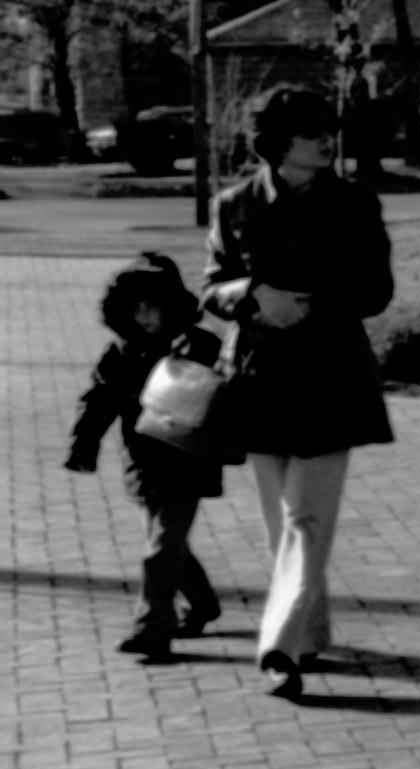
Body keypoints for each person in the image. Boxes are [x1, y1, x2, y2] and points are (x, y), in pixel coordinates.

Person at [205, 83, 395, 697]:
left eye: (328, 128)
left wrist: (305, 306)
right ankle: (310, 635)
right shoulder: (234, 205)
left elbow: (376, 290)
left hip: (330, 376)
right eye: (313, 130)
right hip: (258, 378)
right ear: (277, 143)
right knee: (280, 523)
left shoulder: (356, 204)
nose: (327, 139)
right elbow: (213, 286)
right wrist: (253, 297)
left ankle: (279, 646)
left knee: (306, 520)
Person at [65, 252, 228, 663]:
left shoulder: (199, 344)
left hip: (187, 459)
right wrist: (83, 446)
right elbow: (99, 400)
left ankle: (152, 630)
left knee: (161, 544)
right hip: (141, 459)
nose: (144, 315)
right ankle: (203, 604)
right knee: (166, 543)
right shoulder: (122, 352)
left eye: (152, 305)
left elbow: (224, 394)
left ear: (171, 305)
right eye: (135, 307)